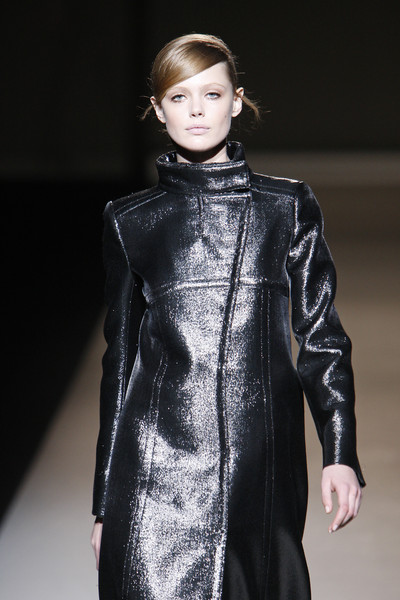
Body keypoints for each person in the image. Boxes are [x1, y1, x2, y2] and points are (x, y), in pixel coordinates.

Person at [91, 33, 365, 600]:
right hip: (152, 470)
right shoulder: (130, 220)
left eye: (211, 94)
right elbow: (119, 363)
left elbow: (321, 337)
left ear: (236, 102)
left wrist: (340, 452)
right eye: (179, 96)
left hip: (258, 460)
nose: (196, 110)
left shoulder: (286, 207)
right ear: (158, 109)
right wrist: (103, 505)